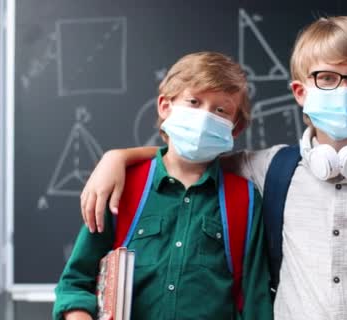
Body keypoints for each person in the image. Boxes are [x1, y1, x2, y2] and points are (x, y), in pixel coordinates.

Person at [80, 17, 347, 320]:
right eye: (327, 79)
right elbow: (187, 153)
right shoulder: (271, 168)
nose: (343, 90)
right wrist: (117, 157)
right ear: (300, 91)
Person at [53, 51, 273, 320]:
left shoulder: (244, 199)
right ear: (165, 106)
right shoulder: (121, 185)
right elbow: (75, 282)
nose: (204, 117)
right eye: (193, 101)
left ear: (235, 128)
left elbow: (256, 301)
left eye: (221, 110)